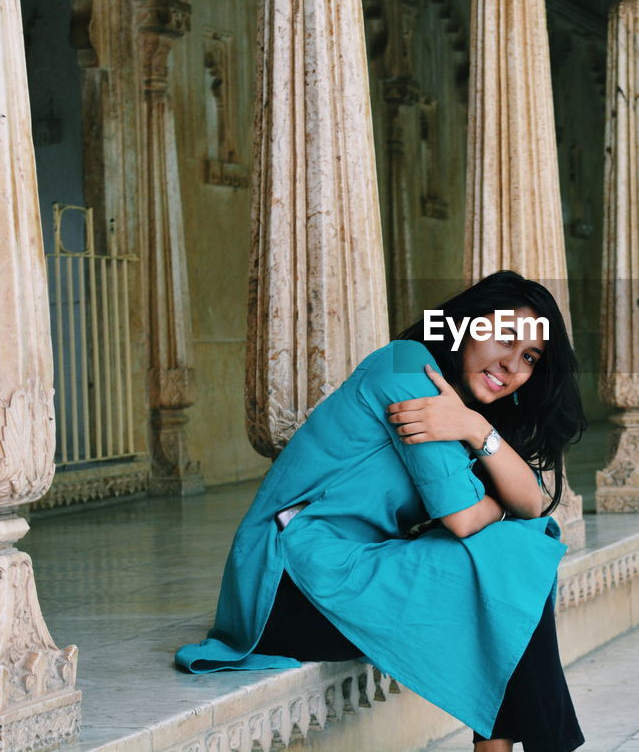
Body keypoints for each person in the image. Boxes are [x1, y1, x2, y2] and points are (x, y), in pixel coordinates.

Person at [176, 271, 587, 752]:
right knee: (510, 552)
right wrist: (495, 498)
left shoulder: (465, 411)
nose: (511, 364)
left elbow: (534, 501)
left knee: (511, 557)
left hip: (348, 575)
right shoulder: (408, 370)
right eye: (506, 337)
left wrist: (476, 428)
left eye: (530, 358)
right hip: (287, 587)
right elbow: (464, 517)